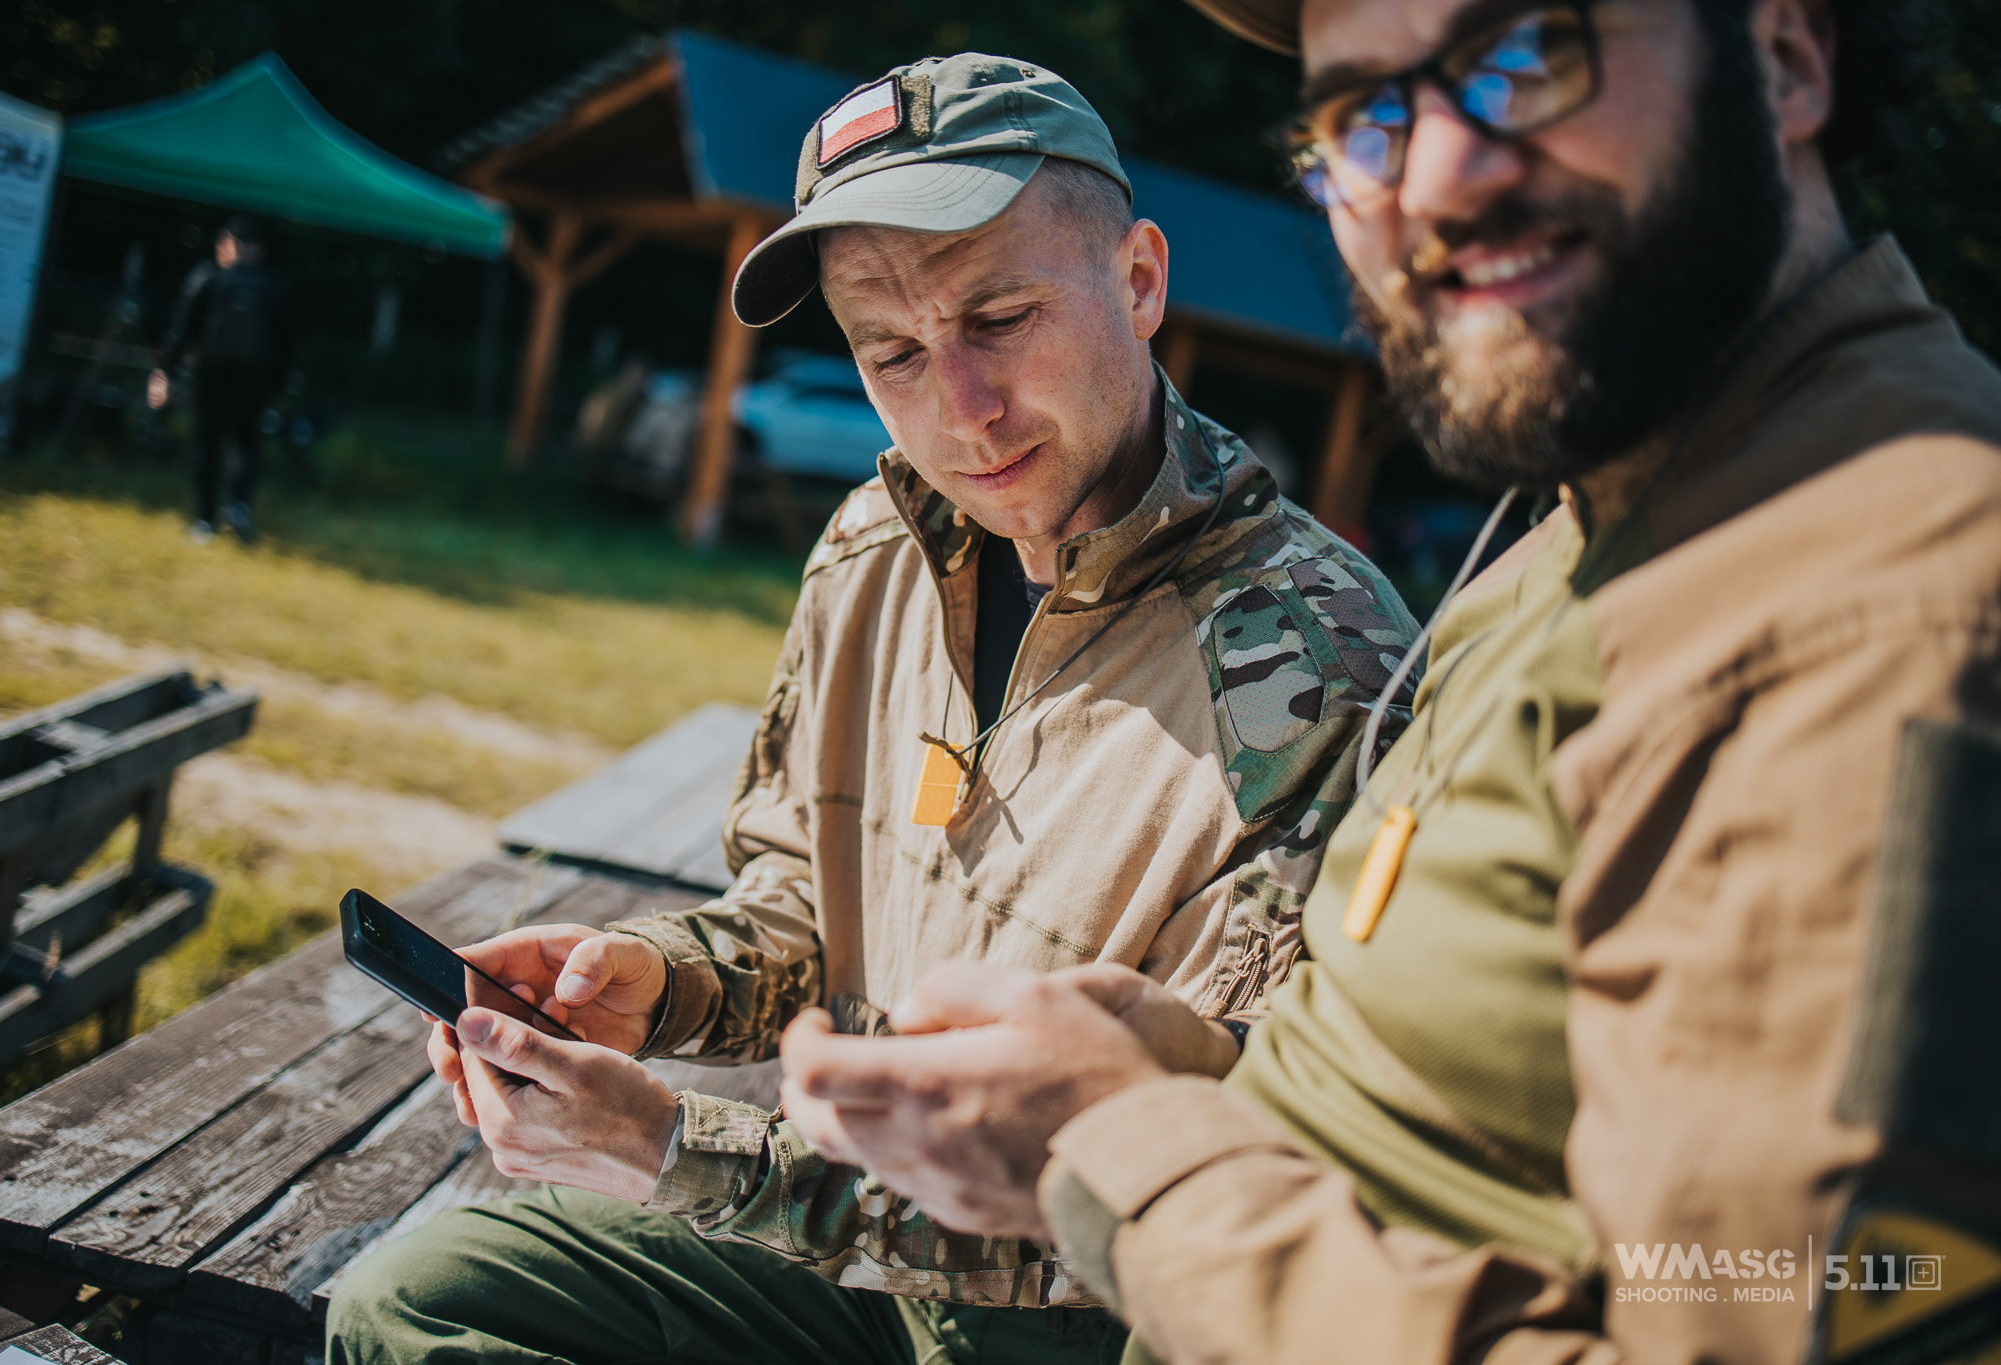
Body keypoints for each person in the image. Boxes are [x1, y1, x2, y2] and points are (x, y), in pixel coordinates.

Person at [775, 2, 2001, 1363]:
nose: (1437, 178)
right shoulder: (1602, 532)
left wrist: (1132, 1150)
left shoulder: (1876, 607)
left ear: (1785, 57)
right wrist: (1186, 1070)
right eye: (1367, 112)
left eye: (1529, 56)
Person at [325, 54, 1420, 1365]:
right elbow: (807, 909)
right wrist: (652, 985)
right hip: (847, 1237)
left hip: (1086, 1317)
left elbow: (1208, 1193)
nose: (958, 411)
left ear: (1139, 279)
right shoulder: (875, 546)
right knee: (409, 1304)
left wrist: (677, 1145)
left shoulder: (1321, 663)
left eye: (1002, 317)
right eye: (891, 352)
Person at [150, 215, 292, 544]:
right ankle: (239, 506)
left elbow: (181, 329)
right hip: (254, 382)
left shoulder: (208, 278)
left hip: (209, 376)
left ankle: (205, 521)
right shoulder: (274, 287)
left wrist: (165, 373)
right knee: (247, 444)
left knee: (207, 446)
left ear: (229, 244)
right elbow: (287, 344)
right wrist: (278, 387)